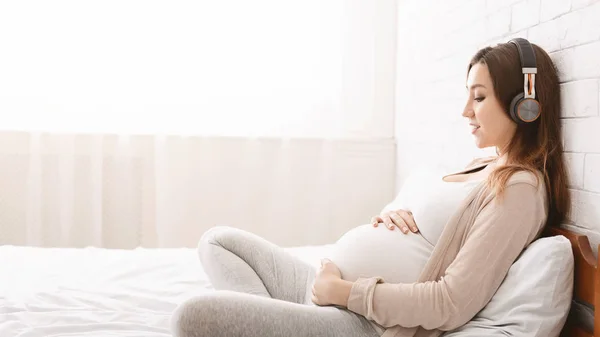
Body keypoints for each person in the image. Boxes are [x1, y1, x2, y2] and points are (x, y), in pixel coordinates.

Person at [170, 38, 571, 337]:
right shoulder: (484, 164)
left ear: (526, 104)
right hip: (332, 292)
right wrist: (394, 217)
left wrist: (344, 292)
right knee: (218, 242)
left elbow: (450, 302)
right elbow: (436, 240)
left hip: (365, 321)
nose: (465, 111)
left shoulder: (520, 188)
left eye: (479, 97)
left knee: (192, 316)